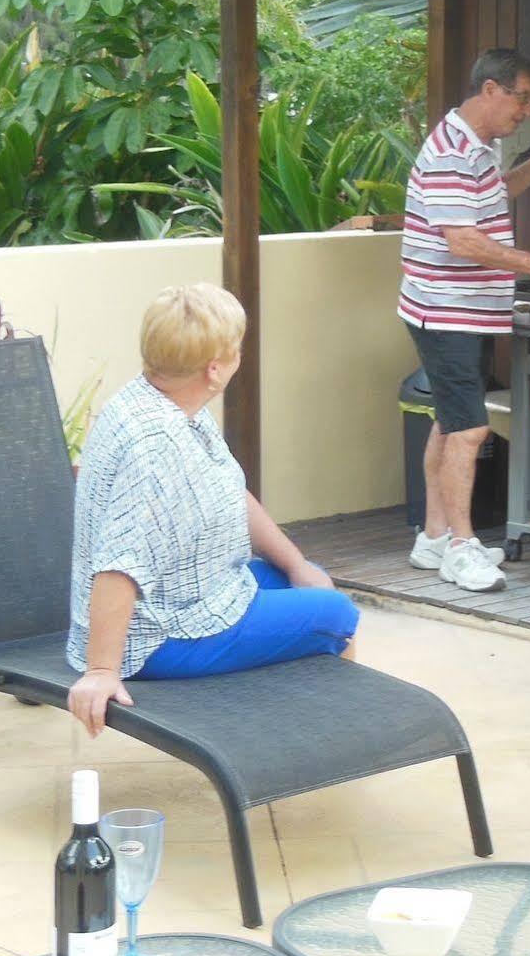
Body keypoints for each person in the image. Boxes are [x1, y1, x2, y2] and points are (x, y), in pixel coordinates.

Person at [66, 283, 358, 738]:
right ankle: (325, 738)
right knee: (336, 615)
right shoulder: (155, 446)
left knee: (307, 577)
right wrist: (103, 669)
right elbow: (119, 565)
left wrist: (297, 564)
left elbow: (231, 491)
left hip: (197, 593)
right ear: (216, 369)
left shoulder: (170, 401)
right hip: (158, 636)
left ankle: (309, 727)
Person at [400, 48, 530, 592]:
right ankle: (461, 549)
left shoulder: (477, 146)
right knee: (469, 429)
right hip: (446, 310)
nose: (527, 112)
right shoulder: (449, 152)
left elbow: (497, 193)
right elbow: (462, 240)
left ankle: (434, 537)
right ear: (491, 89)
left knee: (449, 420)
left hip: (464, 309)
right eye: (523, 98)